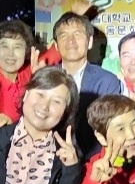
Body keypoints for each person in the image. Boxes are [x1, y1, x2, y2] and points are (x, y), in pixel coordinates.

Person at [52, 12, 121, 155]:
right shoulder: (46, 78)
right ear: (56, 45)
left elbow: (107, 129)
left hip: (91, 160)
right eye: (64, 35)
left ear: (89, 42)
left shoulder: (107, 81)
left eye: (77, 35)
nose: (71, 41)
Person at [0, 20, 42, 127]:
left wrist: (40, 80)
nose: (10, 54)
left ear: (26, 52)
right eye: (4, 46)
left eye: (17, 47)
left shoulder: (30, 71)